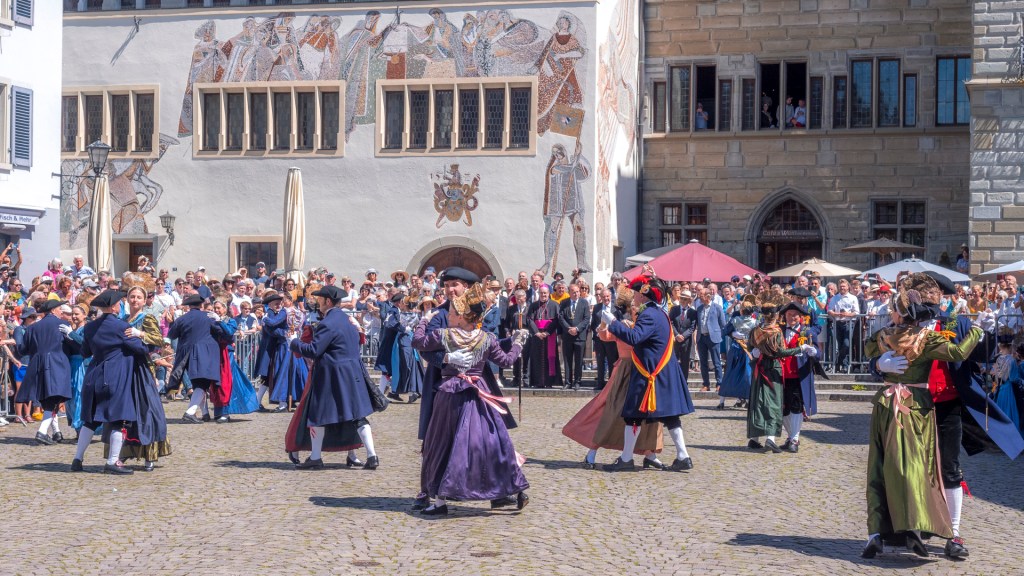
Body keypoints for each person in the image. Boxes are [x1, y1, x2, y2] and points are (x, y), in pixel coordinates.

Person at [873, 271, 1024, 559]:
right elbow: (877, 352)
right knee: (907, 468)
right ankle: (910, 527)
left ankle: (953, 534)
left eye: (931, 293)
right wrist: (879, 365)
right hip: (910, 406)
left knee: (950, 469)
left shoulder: (955, 322)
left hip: (947, 405)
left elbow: (980, 356)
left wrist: (988, 335)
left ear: (941, 296)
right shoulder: (902, 324)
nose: (926, 298)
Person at [412, 282, 531, 515]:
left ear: (462, 317)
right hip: (479, 395)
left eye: (453, 313)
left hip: (450, 396)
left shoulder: (444, 334)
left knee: (442, 444)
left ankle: (439, 501)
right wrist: (518, 343)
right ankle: (509, 488)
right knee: (492, 443)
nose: (450, 315)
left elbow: (417, 342)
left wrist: (424, 319)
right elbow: (506, 360)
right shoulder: (485, 339)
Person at [598, 274, 695, 472]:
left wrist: (613, 322)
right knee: (670, 416)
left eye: (635, 293)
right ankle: (683, 456)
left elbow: (634, 337)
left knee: (633, 415)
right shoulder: (659, 313)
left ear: (643, 295)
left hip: (649, 374)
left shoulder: (649, 315)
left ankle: (626, 459)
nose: (633, 296)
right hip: (661, 372)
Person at [563, 287, 665, 469]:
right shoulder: (624, 327)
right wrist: (604, 321)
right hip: (624, 374)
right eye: (634, 311)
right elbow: (603, 335)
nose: (636, 314)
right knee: (610, 412)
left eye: (638, 312)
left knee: (650, 414)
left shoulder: (644, 328)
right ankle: (592, 452)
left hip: (644, 373)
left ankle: (650, 453)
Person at [288, 285, 379, 470]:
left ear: (328, 301)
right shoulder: (348, 320)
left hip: (332, 375)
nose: (317, 302)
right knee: (358, 416)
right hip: (353, 373)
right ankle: (372, 455)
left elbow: (313, 350)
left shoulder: (327, 324)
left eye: (320, 299)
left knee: (318, 415)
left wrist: (294, 342)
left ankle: (315, 457)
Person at [72, 290, 154, 474]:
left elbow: (85, 352)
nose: (121, 305)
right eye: (119, 303)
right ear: (113, 306)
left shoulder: (90, 327)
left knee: (90, 421)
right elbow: (140, 348)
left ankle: (77, 459)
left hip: (93, 375)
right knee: (118, 420)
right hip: (115, 377)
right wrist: (144, 337)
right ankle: (112, 462)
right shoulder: (120, 326)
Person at [746, 291, 809, 453]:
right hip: (773, 369)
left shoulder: (756, 329)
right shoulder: (776, 331)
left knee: (758, 402)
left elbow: (750, 345)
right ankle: (770, 439)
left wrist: (754, 352)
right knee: (773, 404)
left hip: (759, 370)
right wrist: (799, 349)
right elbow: (779, 352)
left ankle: (754, 438)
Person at [117, 284, 172, 469]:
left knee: (146, 410)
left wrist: (139, 333)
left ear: (144, 300)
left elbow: (158, 340)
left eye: (138, 297)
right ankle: (124, 451)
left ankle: (150, 454)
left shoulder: (146, 317)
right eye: (132, 297)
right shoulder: (123, 318)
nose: (135, 300)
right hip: (124, 368)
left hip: (141, 368)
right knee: (126, 411)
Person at [16, 299, 73, 445]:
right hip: (57, 364)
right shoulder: (63, 324)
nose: (62, 311)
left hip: (37, 365)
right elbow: (73, 346)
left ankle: (56, 432)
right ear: (53, 310)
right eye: (60, 308)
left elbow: (23, 349)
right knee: (52, 399)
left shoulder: (32, 328)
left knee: (49, 399)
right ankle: (42, 432)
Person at [169, 293, 225, 423]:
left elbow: (172, 334)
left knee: (198, 383)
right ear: (201, 305)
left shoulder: (182, 318)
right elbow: (221, 332)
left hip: (187, 355)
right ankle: (189, 413)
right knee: (202, 384)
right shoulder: (208, 317)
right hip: (205, 353)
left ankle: (205, 413)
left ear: (189, 306)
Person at [208, 297, 260, 423]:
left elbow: (229, 332)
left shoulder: (230, 321)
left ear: (224, 309)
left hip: (227, 354)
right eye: (215, 308)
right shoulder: (212, 321)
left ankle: (225, 412)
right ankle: (218, 411)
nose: (216, 310)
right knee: (216, 383)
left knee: (226, 382)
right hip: (215, 353)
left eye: (219, 308)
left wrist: (219, 321)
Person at [778, 300, 820, 452]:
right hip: (781, 375)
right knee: (784, 408)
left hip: (798, 375)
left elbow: (818, 352)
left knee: (796, 407)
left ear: (801, 317)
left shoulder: (807, 332)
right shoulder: (779, 331)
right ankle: (790, 437)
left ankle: (794, 439)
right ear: (785, 316)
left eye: (795, 315)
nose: (792, 318)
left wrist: (813, 352)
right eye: (789, 315)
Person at [716, 296, 756, 410]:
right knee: (746, 375)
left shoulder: (736, 320)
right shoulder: (755, 322)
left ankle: (723, 401)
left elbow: (724, 331)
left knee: (731, 374)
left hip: (738, 350)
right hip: (745, 350)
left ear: (741, 310)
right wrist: (733, 333)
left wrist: (732, 333)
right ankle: (746, 400)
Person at [527, 285, 562, 388]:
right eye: (541, 293)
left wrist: (547, 332)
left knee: (550, 358)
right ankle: (538, 382)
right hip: (537, 336)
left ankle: (549, 382)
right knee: (537, 358)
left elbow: (556, 320)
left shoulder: (555, 305)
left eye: (545, 293)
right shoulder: (533, 305)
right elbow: (529, 319)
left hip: (549, 335)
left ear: (549, 293)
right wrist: (536, 332)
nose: (543, 295)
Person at [558, 283, 590, 390]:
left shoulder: (584, 303)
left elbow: (586, 319)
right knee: (567, 360)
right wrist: (568, 329)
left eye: (577, 292)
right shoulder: (564, 303)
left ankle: (577, 381)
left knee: (578, 360)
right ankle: (567, 382)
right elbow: (561, 317)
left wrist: (577, 329)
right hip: (567, 336)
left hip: (579, 336)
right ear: (569, 293)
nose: (576, 294)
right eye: (574, 292)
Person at [695, 287, 727, 392]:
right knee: (703, 362)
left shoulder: (717, 308)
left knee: (716, 362)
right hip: (701, 337)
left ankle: (720, 383)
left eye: (701, 295)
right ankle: (706, 384)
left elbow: (723, 324)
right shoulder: (699, 308)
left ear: (708, 296)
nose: (699, 297)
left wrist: (718, 335)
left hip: (713, 338)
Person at [591, 288, 619, 390]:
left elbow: (618, 323)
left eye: (607, 296)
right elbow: (593, 323)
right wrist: (596, 330)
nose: (606, 298)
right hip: (599, 340)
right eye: (603, 297)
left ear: (610, 296)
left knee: (612, 362)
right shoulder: (597, 307)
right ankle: (600, 383)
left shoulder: (616, 308)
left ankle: (611, 384)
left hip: (611, 340)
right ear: (601, 297)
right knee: (600, 361)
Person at [669, 289, 697, 378]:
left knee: (685, 362)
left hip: (686, 341)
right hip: (675, 339)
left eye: (685, 299)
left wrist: (683, 336)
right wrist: (677, 335)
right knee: (673, 361)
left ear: (689, 301)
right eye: (681, 298)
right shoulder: (674, 309)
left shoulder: (693, 312)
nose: (683, 301)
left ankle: (684, 382)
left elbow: (692, 327)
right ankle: (674, 381)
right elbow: (671, 323)